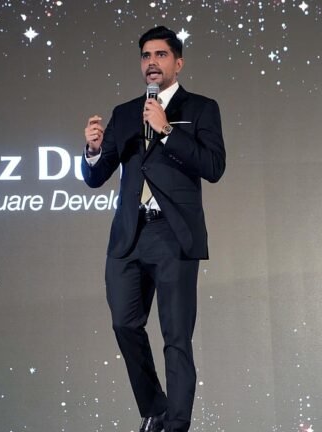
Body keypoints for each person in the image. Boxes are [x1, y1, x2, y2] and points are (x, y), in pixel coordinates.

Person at [81, 26, 226, 432]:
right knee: (124, 324)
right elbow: (96, 176)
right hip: (129, 236)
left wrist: (166, 130)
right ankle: (156, 407)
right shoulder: (126, 112)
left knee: (176, 337)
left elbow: (213, 166)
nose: (152, 62)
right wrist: (92, 150)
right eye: (146, 55)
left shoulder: (201, 108)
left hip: (173, 234)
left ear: (178, 63)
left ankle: (176, 424)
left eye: (160, 55)